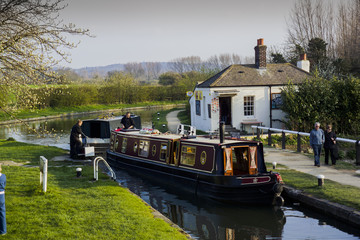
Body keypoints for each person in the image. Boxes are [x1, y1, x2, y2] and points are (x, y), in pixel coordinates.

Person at [0, 165, 6, 235]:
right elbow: (4, 184)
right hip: (1, 196)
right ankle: (3, 231)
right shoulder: (3, 176)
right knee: (2, 213)